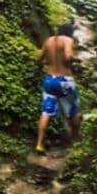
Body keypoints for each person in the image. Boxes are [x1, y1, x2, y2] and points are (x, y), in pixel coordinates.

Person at [34, 22, 80, 153]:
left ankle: (39, 144)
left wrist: (45, 65)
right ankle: (75, 141)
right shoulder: (68, 40)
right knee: (74, 111)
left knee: (46, 112)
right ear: (70, 32)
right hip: (64, 80)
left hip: (49, 80)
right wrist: (76, 59)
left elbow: (39, 59)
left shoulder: (48, 41)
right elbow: (68, 57)